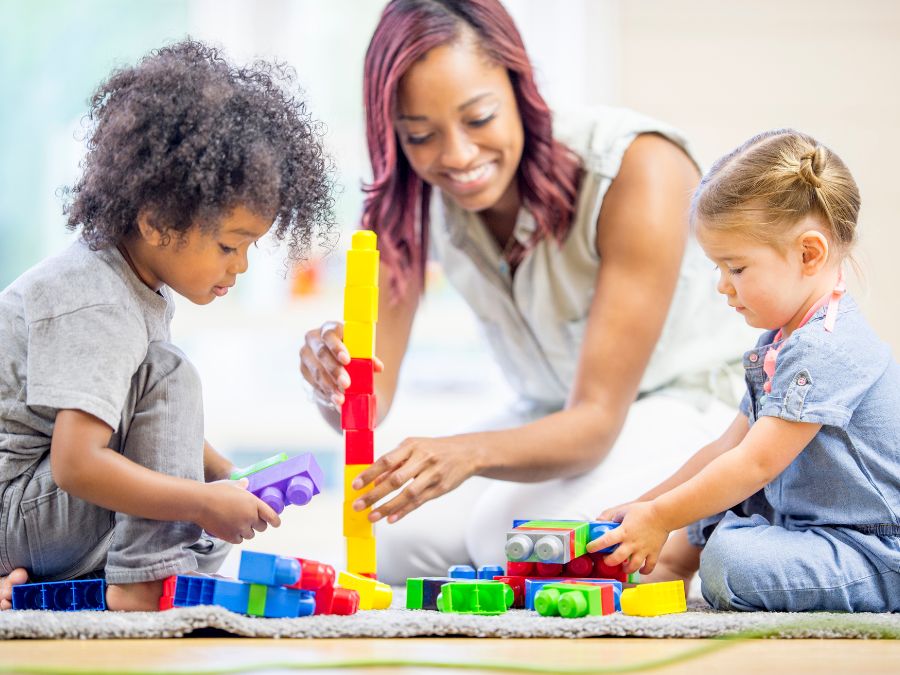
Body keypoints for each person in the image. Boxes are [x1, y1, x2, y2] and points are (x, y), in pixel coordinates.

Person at [300, 0, 751, 584]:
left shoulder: (637, 166)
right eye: (420, 134)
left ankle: (702, 537)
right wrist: (329, 378)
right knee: (396, 542)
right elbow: (365, 404)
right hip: (549, 417)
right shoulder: (408, 202)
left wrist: (469, 451)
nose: (457, 156)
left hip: (692, 411)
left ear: (520, 88)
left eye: (480, 118)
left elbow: (594, 423)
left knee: (508, 540)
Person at [0, 40, 334, 611]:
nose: (243, 264)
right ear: (157, 223)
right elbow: (78, 464)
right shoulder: (93, 299)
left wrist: (224, 475)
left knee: (198, 509)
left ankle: (149, 571)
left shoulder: (133, 281)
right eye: (231, 245)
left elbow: (143, 418)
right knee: (172, 380)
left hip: (46, 509)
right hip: (19, 509)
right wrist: (200, 502)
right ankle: (141, 584)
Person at [588, 129, 900, 612]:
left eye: (735, 268)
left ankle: (703, 559)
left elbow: (754, 464)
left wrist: (664, 516)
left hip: (875, 550)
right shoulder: (781, 342)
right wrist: (643, 509)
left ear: (809, 254)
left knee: (731, 560)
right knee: (716, 489)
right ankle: (673, 566)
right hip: (810, 526)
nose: (722, 286)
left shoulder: (826, 348)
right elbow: (727, 448)